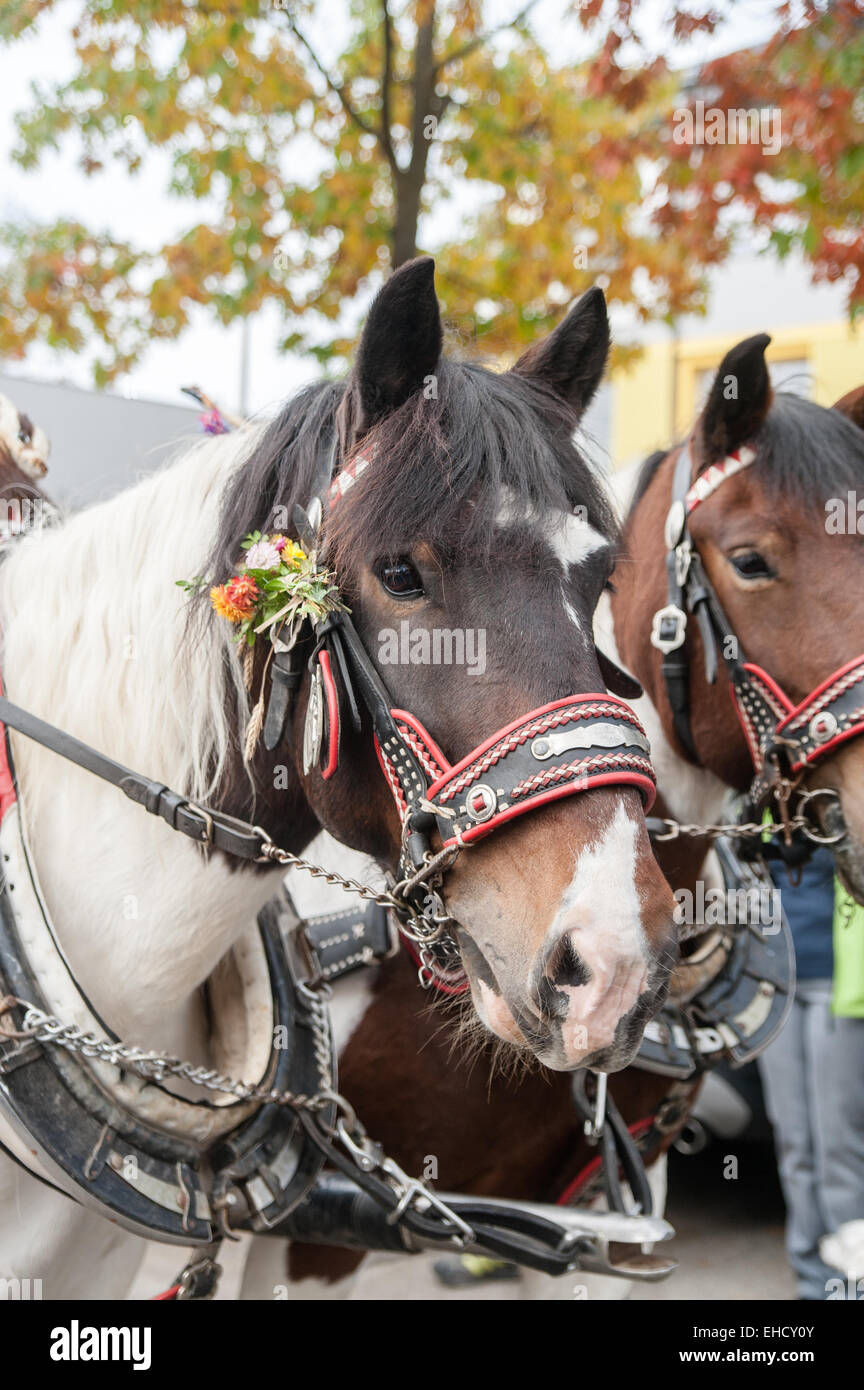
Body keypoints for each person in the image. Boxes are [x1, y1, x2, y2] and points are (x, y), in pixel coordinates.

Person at [757, 847, 864, 1300]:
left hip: (841, 986)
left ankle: (854, 1279)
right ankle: (812, 1279)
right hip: (775, 984)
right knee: (794, 1140)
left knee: (838, 1143)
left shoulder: (847, 787)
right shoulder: (762, 797)